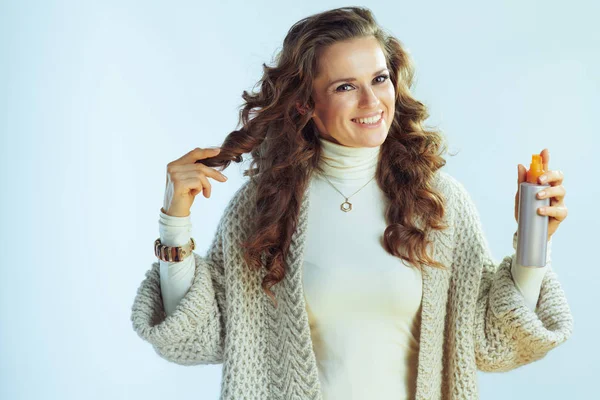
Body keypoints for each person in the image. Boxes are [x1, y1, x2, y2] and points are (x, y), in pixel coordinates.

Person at [130, 6, 572, 400]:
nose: (371, 101)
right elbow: (197, 337)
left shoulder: (436, 203)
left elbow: (491, 340)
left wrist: (534, 243)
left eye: (379, 79)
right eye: (345, 86)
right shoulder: (266, 207)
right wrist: (175, 222)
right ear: (305, 102)